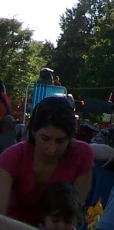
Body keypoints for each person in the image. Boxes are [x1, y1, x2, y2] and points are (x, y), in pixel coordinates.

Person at [0, 96, 93, 225]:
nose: (51, 149)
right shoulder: (12, 157)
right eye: (45, 138)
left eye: (60, 141)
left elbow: (72, 216)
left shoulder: (82, 155)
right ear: (33, 131)